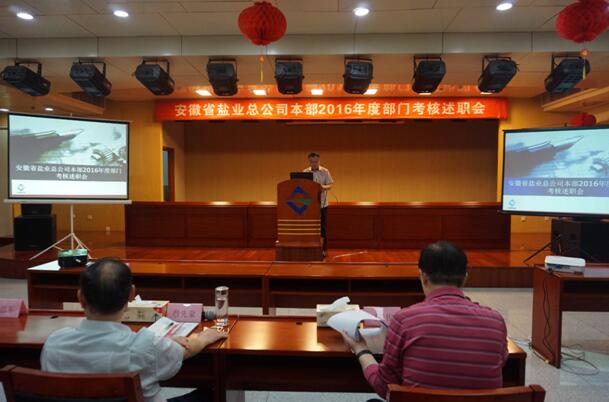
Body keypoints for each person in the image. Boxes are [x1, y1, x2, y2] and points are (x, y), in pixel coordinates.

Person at [41, 258, 227, 402]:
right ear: (131, 294)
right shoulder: (145, 345)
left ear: (80, 298)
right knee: (211, 393)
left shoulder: (54, 344)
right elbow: (186, 350)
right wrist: (203, 338)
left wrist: (165, 343)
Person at [340, 241, 508, 398]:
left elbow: (385, 388)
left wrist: (361, 349)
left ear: (423, 277)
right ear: (465, 277)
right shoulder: (496, 322)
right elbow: (499, 363)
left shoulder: (405, 320)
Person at [304, 152, 333, 256]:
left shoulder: (325, 171)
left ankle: (324, 249)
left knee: (323, 228)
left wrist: (322, 187)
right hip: (309, 205)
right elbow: (302, 186)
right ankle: (310, 249)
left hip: (322, 204)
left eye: (316, 161)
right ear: (309, 161)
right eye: (312, 162)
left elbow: (330, 185)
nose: (314, 164)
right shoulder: (305, 172)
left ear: (319, 161)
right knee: (310, 227)